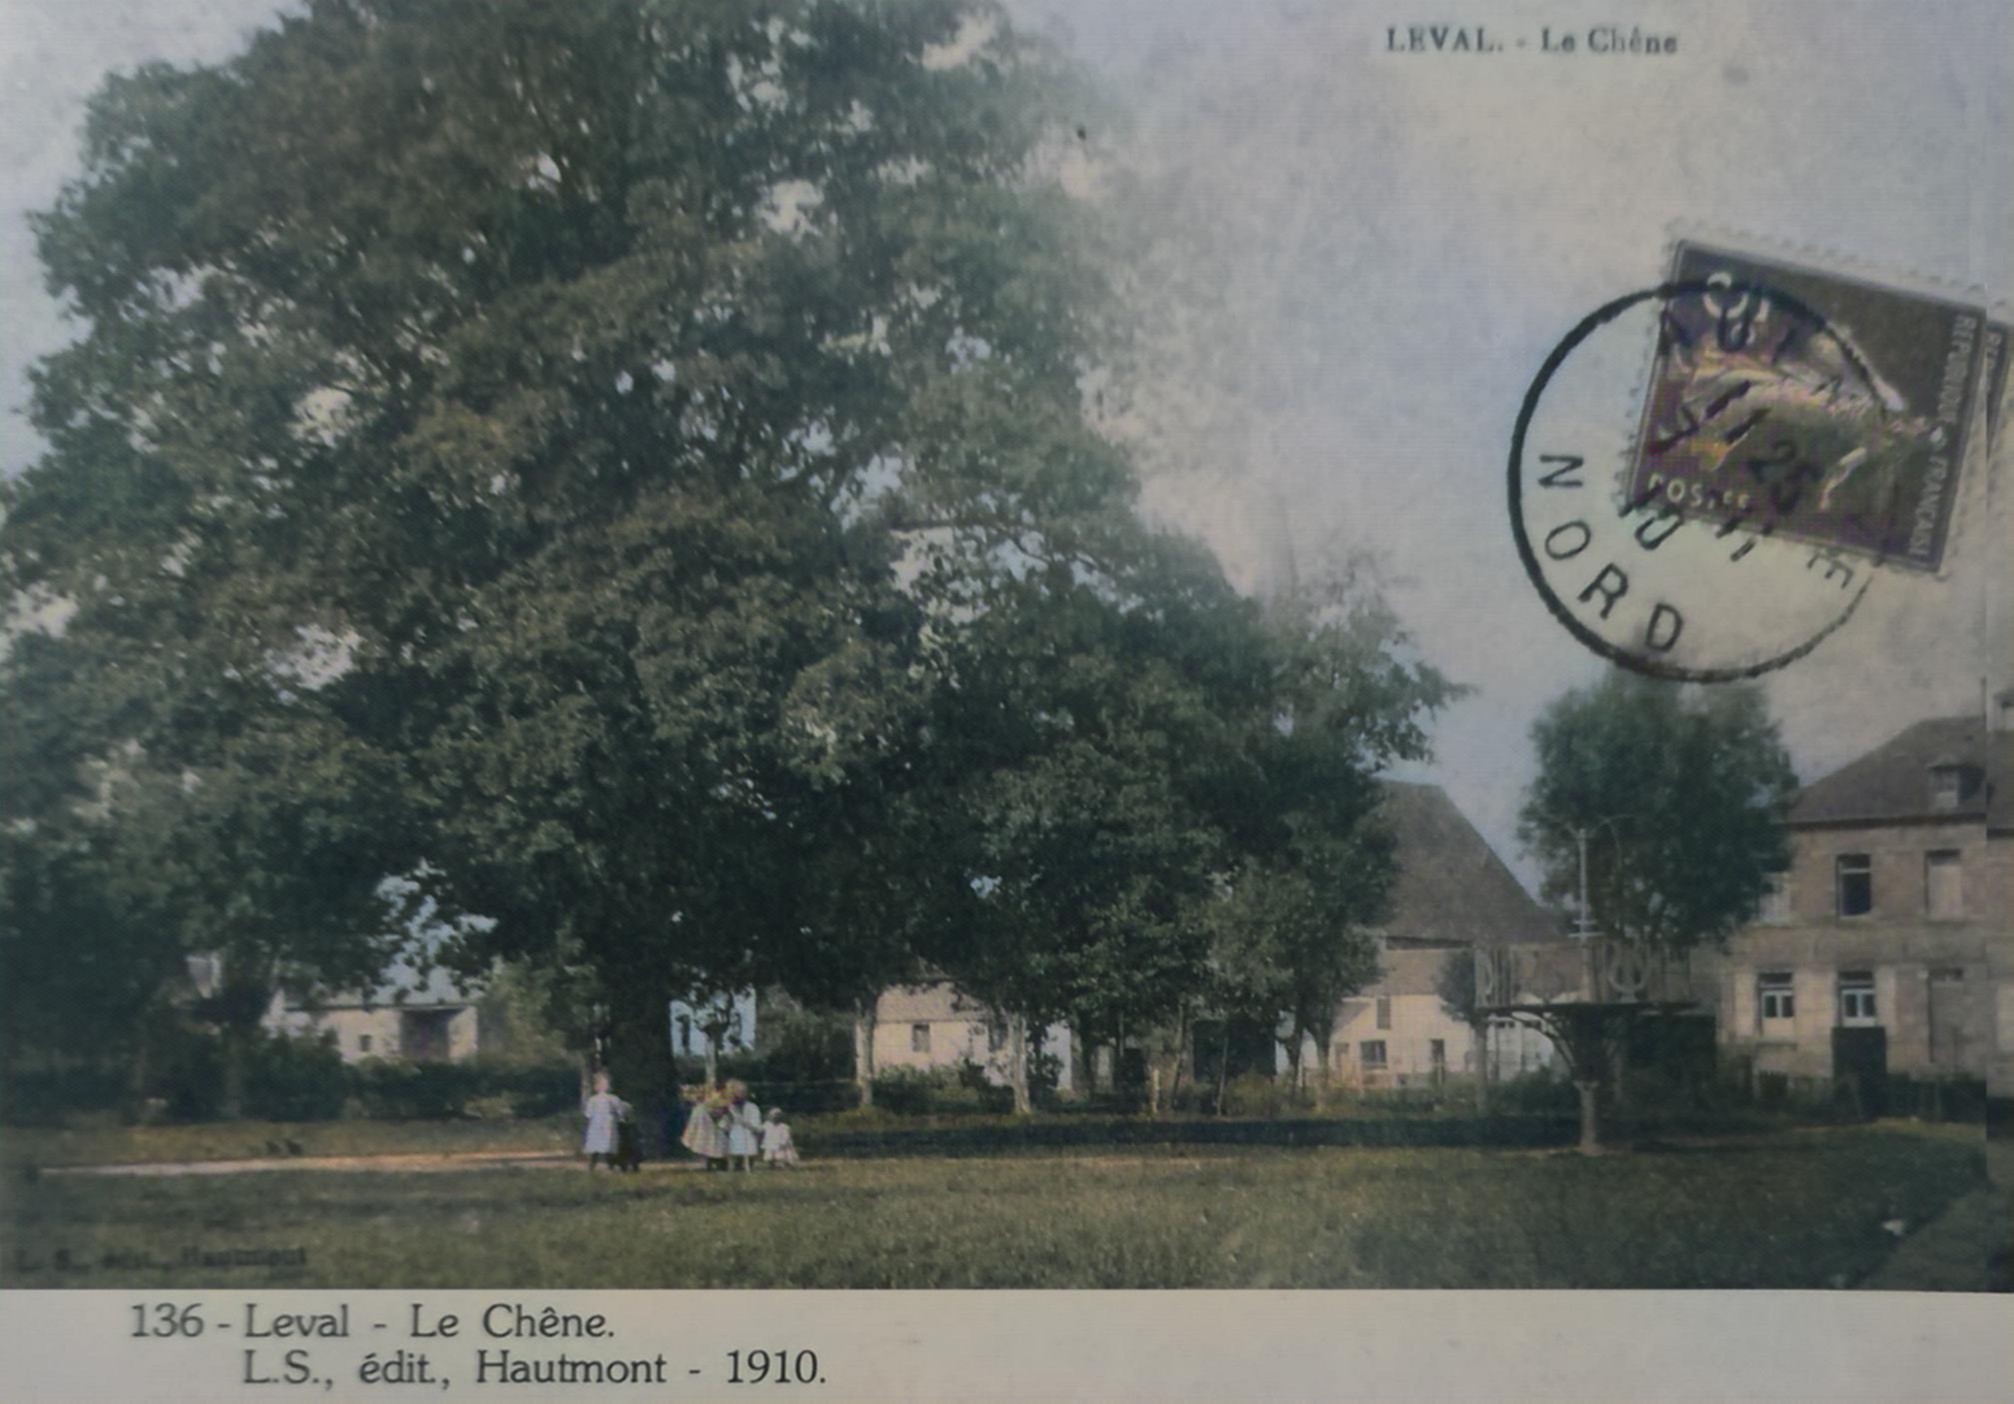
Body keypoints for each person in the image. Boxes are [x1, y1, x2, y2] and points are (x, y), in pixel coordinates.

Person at [581, 1072, 629, 1173]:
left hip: (608, 1125)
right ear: (596, 1087)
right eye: (602, 1084)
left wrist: (621, 1117)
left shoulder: (613, 1099)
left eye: (607, 1084)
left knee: (608, 1146)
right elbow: (589, 1113)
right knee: (595, 1147)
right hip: (597, 1125)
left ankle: (610, 1166)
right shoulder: (593, 1100)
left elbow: (620, 1111)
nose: (605, 1087)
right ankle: (591, 1167)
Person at [679, 1082, 729, 1170]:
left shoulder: (722, 1098)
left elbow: (721, 1107)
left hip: (718, 1124)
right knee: (710, 1143)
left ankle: (720, 1162)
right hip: (709, 1123)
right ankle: (712, 1163)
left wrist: (720, 1112)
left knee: (718, 1144)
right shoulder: (701, 1108)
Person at [723, 1079, 762, 1172]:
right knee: (734, 1142)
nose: (738, 1096)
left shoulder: (752, 1107)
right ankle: (732, 1166)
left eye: (742, 1093)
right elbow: (725, 1124)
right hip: (734, 1134)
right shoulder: (729, 1108)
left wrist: (747, 1124)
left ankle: (747, 1165)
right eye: (736, 1093)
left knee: (747, 1143)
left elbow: (756, 1126)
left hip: (748, 1133)